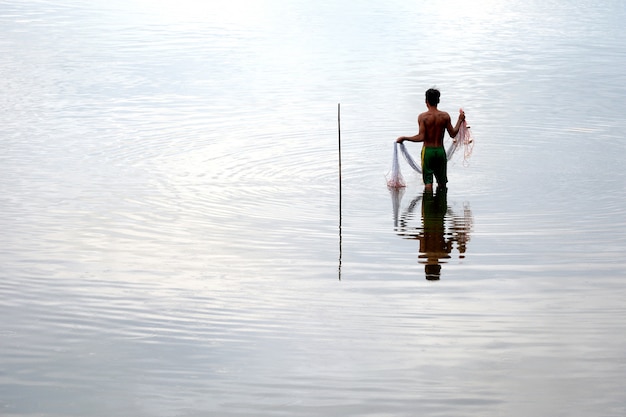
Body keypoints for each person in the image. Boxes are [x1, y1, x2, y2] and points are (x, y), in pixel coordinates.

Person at [397, 88, 465, 191]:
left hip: (428, 152)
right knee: (442, 183)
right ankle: (442, 204)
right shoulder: (445, 116)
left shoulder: (423, 117)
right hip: (440, 152)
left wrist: (405, 138)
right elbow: (453, 134)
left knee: (428, 184)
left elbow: (421, 137)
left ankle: (428, 203)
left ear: (426, 101)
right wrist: (460, 120)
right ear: (438, 101)